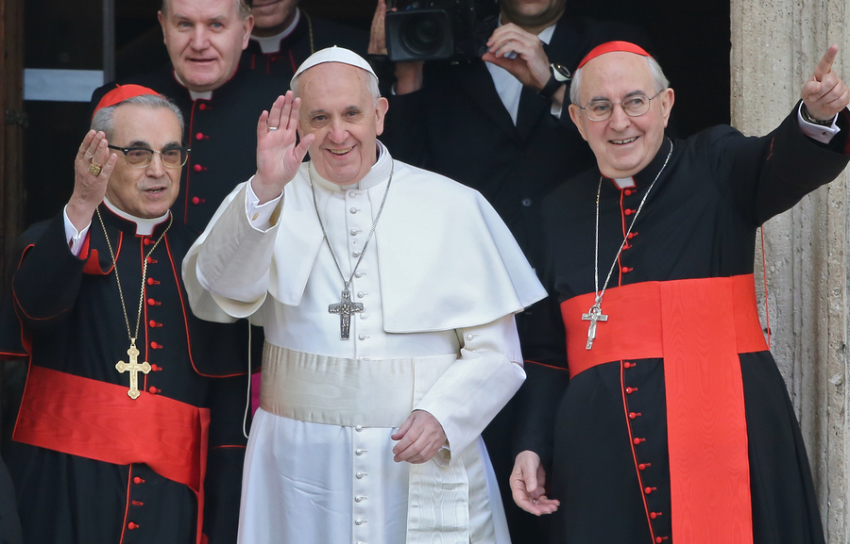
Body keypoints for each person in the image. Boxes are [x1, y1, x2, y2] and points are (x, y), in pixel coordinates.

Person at [182, 47, 546, 543]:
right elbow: (217, 295)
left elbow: (500, 355)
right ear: (298, 121)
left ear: (379, 113)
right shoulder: (266, 197)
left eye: (352, 113)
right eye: (319, 118)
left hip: (418, 454)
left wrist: (445, 415)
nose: (337, 134)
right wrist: (267, 186)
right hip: (298, 465)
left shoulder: (454, 206)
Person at [511, 41, 850, 544]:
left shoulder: (715, 164)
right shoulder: (559, 211)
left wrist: (814, 118)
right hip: (602, 464)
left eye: (635, 101)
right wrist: (531, 443)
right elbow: (544, 352)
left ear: (666, 104)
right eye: (600, 108)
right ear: (579, 121)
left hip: (727, 433)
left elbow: (778, 165)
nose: (620, 122)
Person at [369, 1, 648, 539]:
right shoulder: (446, 47)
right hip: (468, 311)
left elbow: (650, 150)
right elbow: (401, 177)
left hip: (584, 299)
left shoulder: (612, 42)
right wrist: (401, 71)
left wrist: (554, 82)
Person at [3, 86, 250, 544]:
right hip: (62, 493)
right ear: (101, 156)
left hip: (171, 509)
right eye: (138, 154)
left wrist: (222, 524)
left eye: (170, 153)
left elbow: (229, 415)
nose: (158, 170)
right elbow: (36, 312)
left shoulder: (205, 261)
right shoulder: (55, 240)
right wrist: (81, 204)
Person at [91, 0, 256, 234]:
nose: (199, 43)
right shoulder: (117, 103)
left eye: (216, 25)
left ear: (246, 30)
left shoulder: (281, 108)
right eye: (185, 24)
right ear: (164, 27)